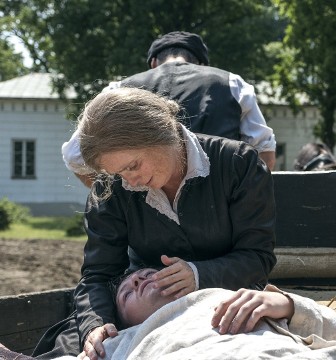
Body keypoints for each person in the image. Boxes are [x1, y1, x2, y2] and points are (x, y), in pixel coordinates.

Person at [33, 87, 277, 360]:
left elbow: (257, 257)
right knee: (77, 348)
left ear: (161, 134)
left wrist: (198, 274)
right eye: (118, 172)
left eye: (133, 165)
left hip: (221, 304)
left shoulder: (237, 164)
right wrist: (97, 325)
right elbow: (97, 275)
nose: (130, 181)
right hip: (140, 311)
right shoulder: (113, 186)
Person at [1, 268, 336, 360]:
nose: (139, 280)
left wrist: (289, 305)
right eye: (127, 291)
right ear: (124, 319)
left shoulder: (226, 296)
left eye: (146, 273)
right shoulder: (126, 341)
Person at [62, 31, 276, 188]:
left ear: (153, 62)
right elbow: (264, 150)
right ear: (201, 63)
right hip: (220, 215)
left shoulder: (120, 90)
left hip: (147, 223)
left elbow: (74, 156)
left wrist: (118, 197)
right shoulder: (231, 83)